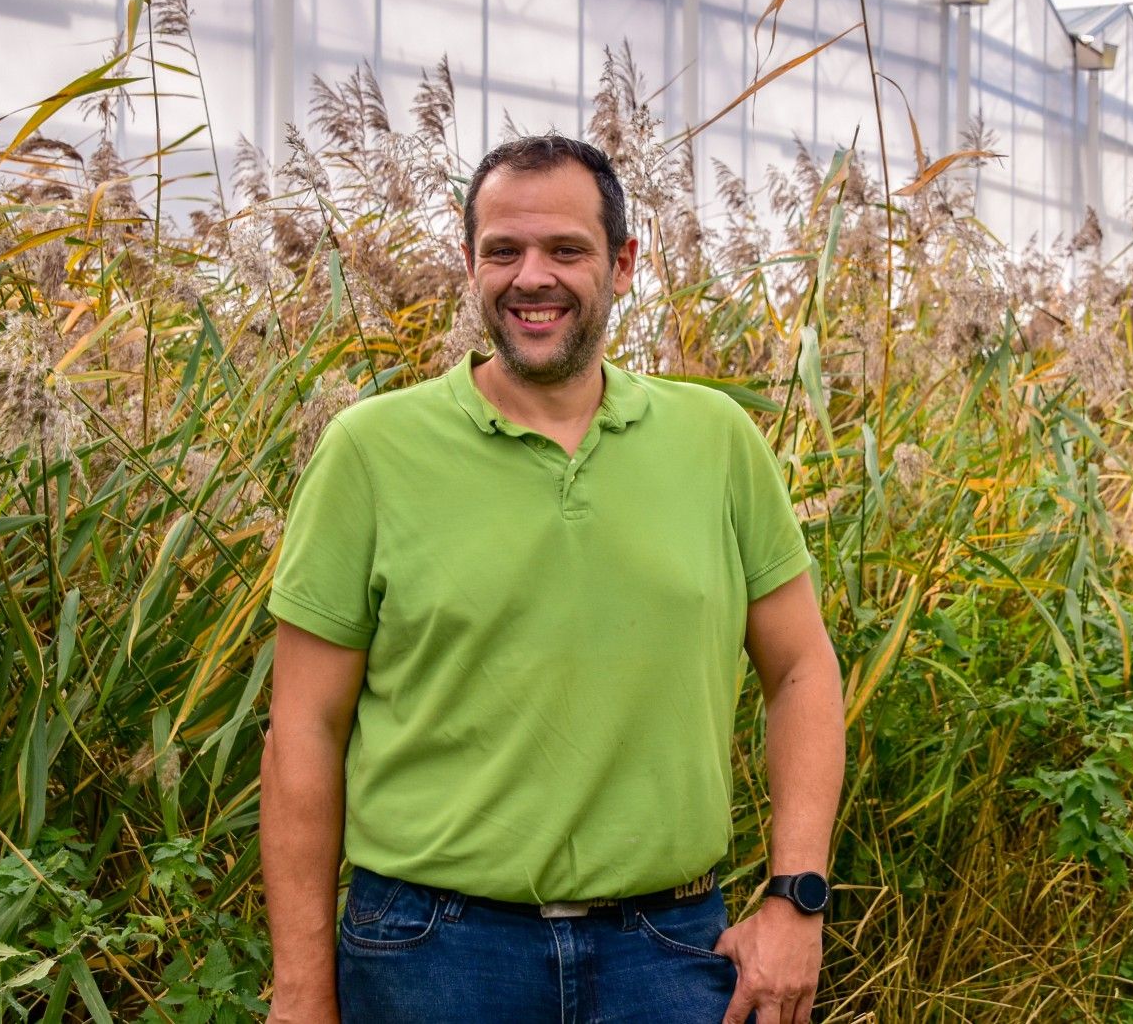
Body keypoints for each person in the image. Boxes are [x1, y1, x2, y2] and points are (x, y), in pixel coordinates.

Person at [260, 134, 846, 1023]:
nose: (533, 276)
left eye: (566, 250)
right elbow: (304, 725)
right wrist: (302, 994)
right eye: (504, 251)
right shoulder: (370, 453)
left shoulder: (718, 441)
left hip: (672, 951)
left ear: (623, 263)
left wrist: (794, 900)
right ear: (470, 263)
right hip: (433, 953)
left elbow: (802, 670)